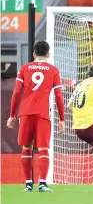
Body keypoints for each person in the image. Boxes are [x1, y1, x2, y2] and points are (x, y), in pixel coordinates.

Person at [7, 41, 66, 192]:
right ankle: (43, 184)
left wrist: (12, 114)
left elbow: (16, 93)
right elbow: (59, 96)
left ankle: (28, 184)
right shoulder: (53, 70)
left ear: (33, 54)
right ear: (49, 54)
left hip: (25, 112)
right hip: (43, 113)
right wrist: (62, 119)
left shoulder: (24, 69)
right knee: (43, 148)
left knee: (26, 147)